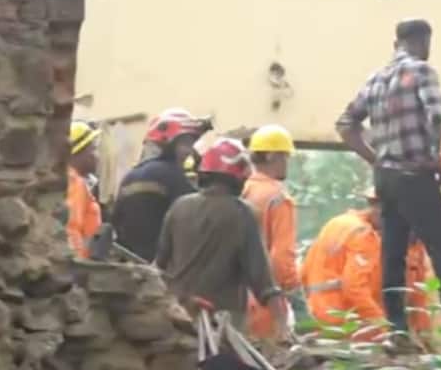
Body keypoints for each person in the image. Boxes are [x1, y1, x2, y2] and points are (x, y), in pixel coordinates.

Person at [336, 18, 441, 335]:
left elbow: (345, 125)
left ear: (397, 42)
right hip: (414, 174)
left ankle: (397, 330)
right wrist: (439, 158)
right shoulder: (421, 70)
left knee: (392, 252)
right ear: (424, 43)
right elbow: (438, 115)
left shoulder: (377, 78)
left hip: (387, 178)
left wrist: (376, 159)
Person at [155, 138, 285, 336]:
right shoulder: (243, 213)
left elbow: (158, 266)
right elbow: (262, 282)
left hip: (176, 318)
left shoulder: (179, 206)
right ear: (239, 176)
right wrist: (283, 326)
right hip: (221, 327)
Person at [113, 108, 205, 262]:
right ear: (168, 142)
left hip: (130, 268)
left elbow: (116, 221)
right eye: (185, 144)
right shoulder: (173, 175)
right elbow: (195, 224)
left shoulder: (129, 177)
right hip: (163, 271)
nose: (189, 151)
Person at [299, 190, 387, 341]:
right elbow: (354, 286)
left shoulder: (337, 223)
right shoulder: (364, 235)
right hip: (342, 319)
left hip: (317, 313)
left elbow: (305, 271)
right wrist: (382, 324)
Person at [241, 124, 301, 341]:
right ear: (272, 156)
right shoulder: (278, 198)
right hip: (266, 304)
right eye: (285, 157)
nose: (287, 163)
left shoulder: (243, 189)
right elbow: (281, 258)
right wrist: (296, 296)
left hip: (237, 300)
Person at [66, 120, 103, 259]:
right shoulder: (73, 182)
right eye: (93, 149)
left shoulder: (77, 182)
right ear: (77, 153)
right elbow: (71, 230)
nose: (97, 156)